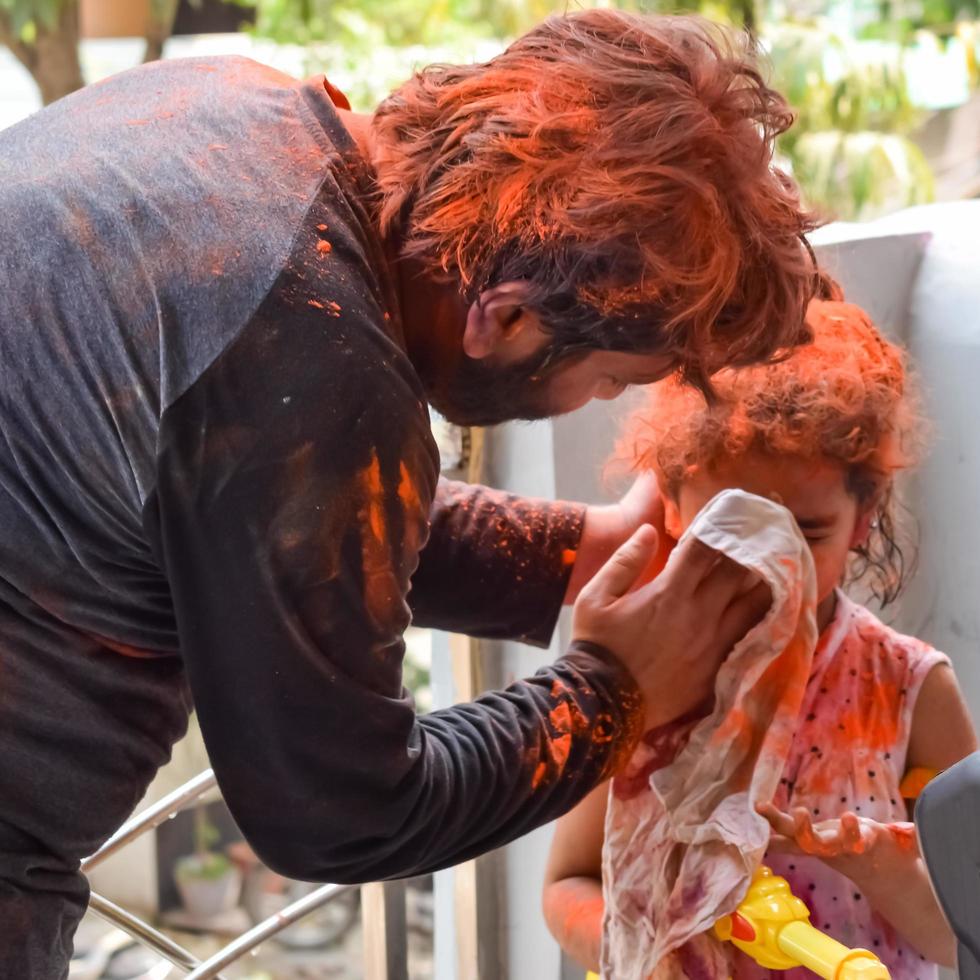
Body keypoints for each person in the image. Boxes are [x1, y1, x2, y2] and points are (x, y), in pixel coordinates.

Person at [0, 9, 819, 976]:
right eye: (609, 381)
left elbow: (272, 507)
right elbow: (339, 813)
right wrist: (612, 691)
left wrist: (579, 551)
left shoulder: (238, 105)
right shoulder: (308, 361)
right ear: (507, 317)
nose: (592, 402)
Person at [543, 300, 978, 977]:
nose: (767, 564)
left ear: (863, 519)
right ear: (671, 504)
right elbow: (567, 886)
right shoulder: (645, 674)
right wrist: (649, 956)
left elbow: (966, 936)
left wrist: (890, 875)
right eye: (732, 526)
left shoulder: (907, 689)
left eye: (806, 534)